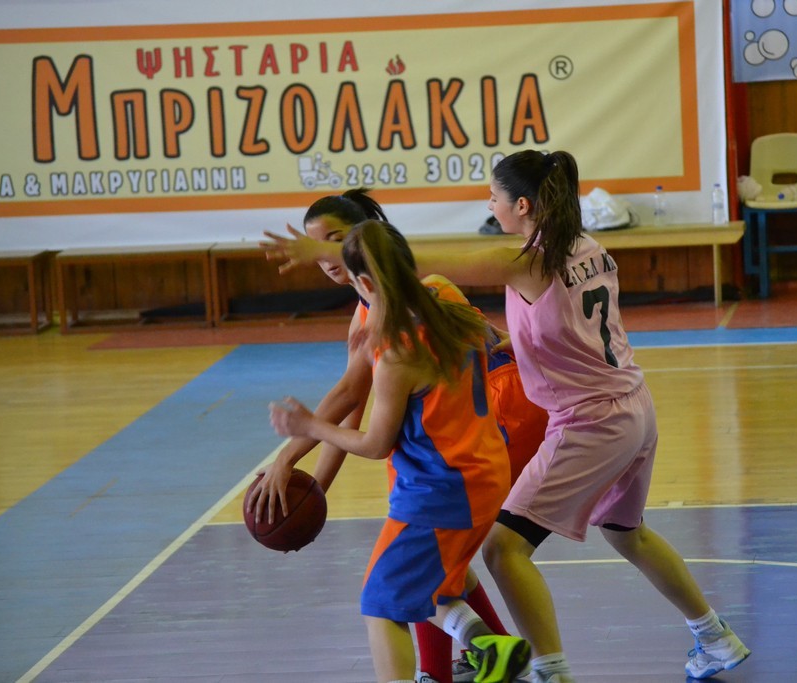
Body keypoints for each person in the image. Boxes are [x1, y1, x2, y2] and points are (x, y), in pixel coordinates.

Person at [262, 150, 750, 682]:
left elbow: (406, 271)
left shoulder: (519, 264)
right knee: (626, 533)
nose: (488, 204)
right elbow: (561, 325)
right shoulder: (589, 247)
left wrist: (324, 250)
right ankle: (713, 636)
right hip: (634, 405)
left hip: (582, 421)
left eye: (494, 196)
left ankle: (547, 671)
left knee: (500, 549)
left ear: (521, 205)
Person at [248, 189, 545, 683]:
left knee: (385, 600)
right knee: (432, 575)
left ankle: (448, 668)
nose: (325, 259)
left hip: (462, 457)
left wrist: (298, 443)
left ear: (362, 258)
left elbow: (362, 422)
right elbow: (353, 403)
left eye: (333, 244)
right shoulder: (433, 297)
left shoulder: (396, 337)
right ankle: (489, 650)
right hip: (478, 458)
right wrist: (311, 481)